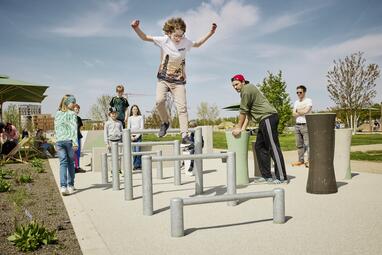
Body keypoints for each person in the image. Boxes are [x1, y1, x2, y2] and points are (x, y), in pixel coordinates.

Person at [131, 17, 217, 144]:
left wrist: (210, 33)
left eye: (181, 36)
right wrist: (136, 28)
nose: (178, 39)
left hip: (178, 81)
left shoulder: (185, 42)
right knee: (159, 101)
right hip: (163, 79)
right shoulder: (163, 40)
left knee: (182, 108)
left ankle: (184, 135)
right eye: (176, 36)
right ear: (169, 32)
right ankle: (165, 122)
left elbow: (198, 44)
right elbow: (145, 37)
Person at [230, 74, 288, 184]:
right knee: (259, 147)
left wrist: (238, 127)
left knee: (273, 147)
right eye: (233, 86)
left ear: (243, 82)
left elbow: (242, 112)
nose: (235, 87)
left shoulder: (246, 90)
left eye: (237, 84)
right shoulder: (247, 90)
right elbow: (247, 114)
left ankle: (282, 177)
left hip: (268, 117)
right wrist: (242, 129)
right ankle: (267, 176)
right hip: (263, 120)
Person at [55, 94, 78, 196]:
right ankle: (70, 185)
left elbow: (56, 128)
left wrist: (56, 141)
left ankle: (63, 187)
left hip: (59, 141)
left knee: (63, 163)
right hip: (69, 141)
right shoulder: (72, 114)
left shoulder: (57, 113)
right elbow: (74, 129)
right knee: (70, 163)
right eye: (73, 102)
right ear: (68, 103)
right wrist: (75, 143)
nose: (74, 104)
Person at [291, 85, 312, 168]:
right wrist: (301, 111)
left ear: (304, 92)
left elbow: (307, 111)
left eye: (300, 92)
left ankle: (310, 161)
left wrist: (298, 111)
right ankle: (301, 160)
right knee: (299, 145)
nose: (298, 94)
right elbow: (293, 114)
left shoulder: (308, 100)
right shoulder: (296, 102)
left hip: (306, 125)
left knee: (308, 144)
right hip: (297, 125)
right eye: (297, 92)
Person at [127, 105, 144, 170]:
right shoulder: (130, 118)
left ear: (138, 110)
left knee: (138, 151)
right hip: (131, 136)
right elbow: (128, 127)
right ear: (131, 110)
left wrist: (137, 136)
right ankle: (135, 165)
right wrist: (131, 136)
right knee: (133, 152)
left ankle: (138, 165)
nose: (135, 110)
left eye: (136, 109)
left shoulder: (140, 117)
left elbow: (141, 128)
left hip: (138, 136)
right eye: (133, 109)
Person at [73, 104, 85, 173]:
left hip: (78, 137)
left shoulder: (79, 119)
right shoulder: (69, 118)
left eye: (78, 109)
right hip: (72, 138)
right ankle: (73, 167)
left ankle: (77, 167)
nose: (77, 111)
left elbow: (80, 128)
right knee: (73, 153)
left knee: (77, 153)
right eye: (75, 109)